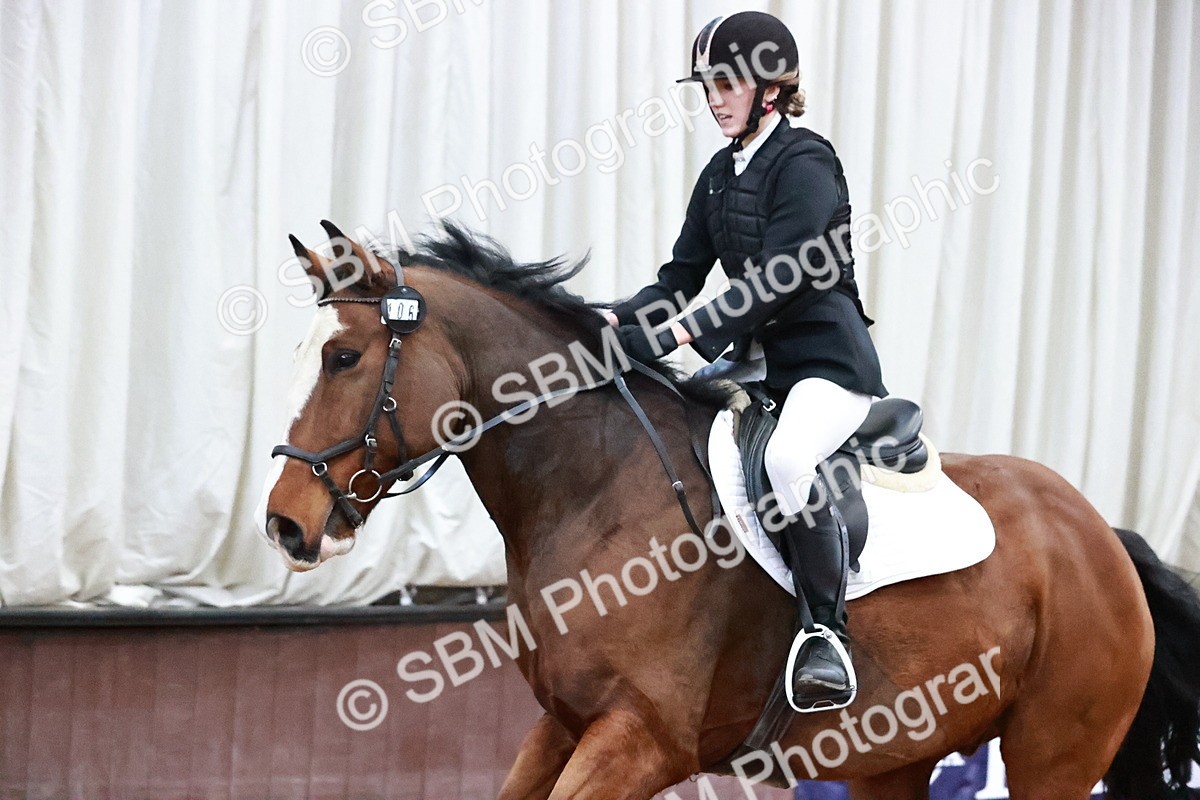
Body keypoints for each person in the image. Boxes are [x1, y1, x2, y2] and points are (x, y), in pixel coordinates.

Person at [603, 11, 887, 712]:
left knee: (789, 462)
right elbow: (679, 276)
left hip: (825, 361)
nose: (715, 98)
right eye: (708, 84)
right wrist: (613, 320)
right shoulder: (719, 175)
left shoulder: (807, 163)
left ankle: (827, 634)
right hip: (755, 366)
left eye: (727, 82)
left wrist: (675, 338)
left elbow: (779, 278)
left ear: (770, 88)